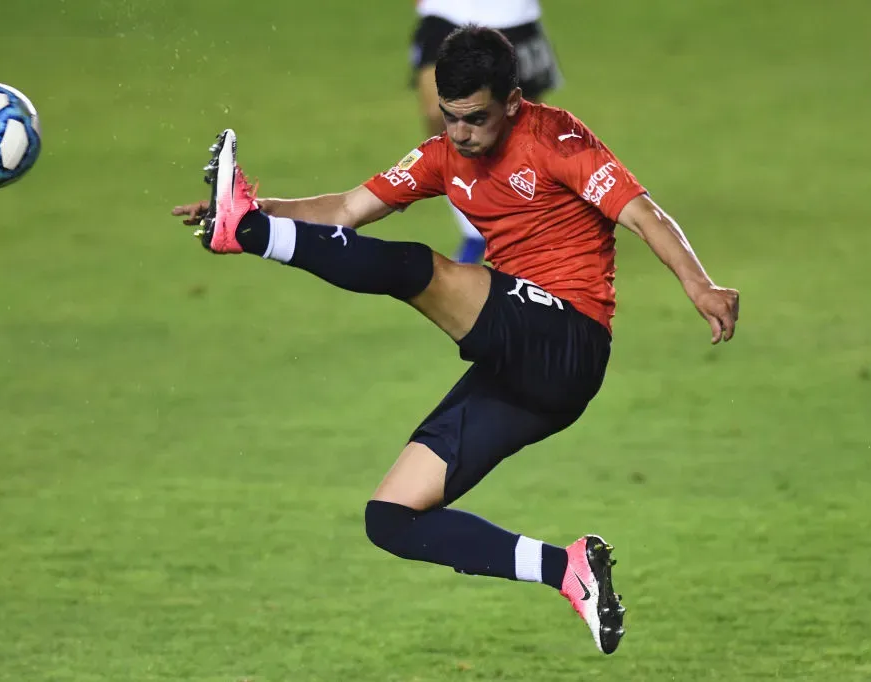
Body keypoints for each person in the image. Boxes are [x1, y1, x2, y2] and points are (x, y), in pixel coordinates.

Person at [172, 26, 739, 655]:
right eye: (449, 117)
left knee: (418, 268)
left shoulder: (557, 138)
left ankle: (244, 234)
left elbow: (640, 212)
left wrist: (701, 285)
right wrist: (263, 206)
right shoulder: (443, 154)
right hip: (525, 374)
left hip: (568, 337)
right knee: (390, 518)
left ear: (514, 102)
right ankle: (566, 570)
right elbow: (344, 213)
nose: (461, 133)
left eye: (476, 118)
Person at [410, 0, 562, 264]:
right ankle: (474, 228)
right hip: (445, 14)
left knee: (524, 131)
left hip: (514, 17)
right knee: (439, 115)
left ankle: (531, 223)